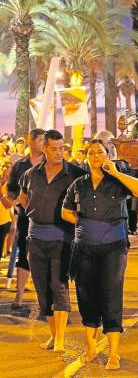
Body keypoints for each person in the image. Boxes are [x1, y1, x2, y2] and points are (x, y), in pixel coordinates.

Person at [62, 139, 138, 370]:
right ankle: (91, 348)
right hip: (84, 247)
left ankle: (114, 353)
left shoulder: (117, 181)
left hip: (113, 246)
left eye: (100, 152)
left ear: (107, 155)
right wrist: (83, 225)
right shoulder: (78, 184)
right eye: (92, 152)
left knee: (110, 295)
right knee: (86, 296)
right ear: (86, 157)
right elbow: (65, 211)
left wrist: (116, 173)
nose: (96, 156)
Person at [19, 129, 85, 352]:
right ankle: (53, 334)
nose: (59, 152)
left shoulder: (75, 174)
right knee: (42, 290)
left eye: (62, 148)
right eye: (54, 148)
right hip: (35, 238)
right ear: (44, 148)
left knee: (59, 287)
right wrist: (33, 210)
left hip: (62, 239)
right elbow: (22, 195)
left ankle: (60, 339)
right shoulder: (31, 173)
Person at [6, 128, 45, 308]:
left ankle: (45, 298)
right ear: (31, 141)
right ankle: (19, 296)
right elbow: (11, 188)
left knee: (46, 257)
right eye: (41, 140)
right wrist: (17, 201)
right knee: (25, 254)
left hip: (48, 218)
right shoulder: (20, 165)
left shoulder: (53, 162)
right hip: (26, 217)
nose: (44, 144)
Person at [0, 161, 13, 258]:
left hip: (3, 220)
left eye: (8, 167)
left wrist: (1, 195)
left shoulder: (12, 185)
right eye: (3, 166)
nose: (5, 168)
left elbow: (8, 205)